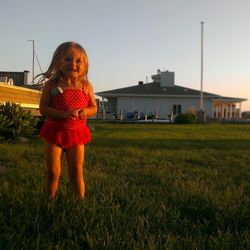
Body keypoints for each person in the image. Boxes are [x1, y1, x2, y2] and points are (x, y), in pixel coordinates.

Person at [39, 41, 97, 200]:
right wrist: (63, 115)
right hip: (54, 132)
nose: (73, 64)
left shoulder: (86, 86)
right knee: (53, 171)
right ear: (58, 61)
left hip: (76, 134)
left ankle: (79, 204)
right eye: (68, 59)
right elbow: (43, 108)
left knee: (76, 171)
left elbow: (94, 108)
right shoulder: (52, 84)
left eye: (78, 61)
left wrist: (85, 111)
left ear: (85, 65)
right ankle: (49, 200)